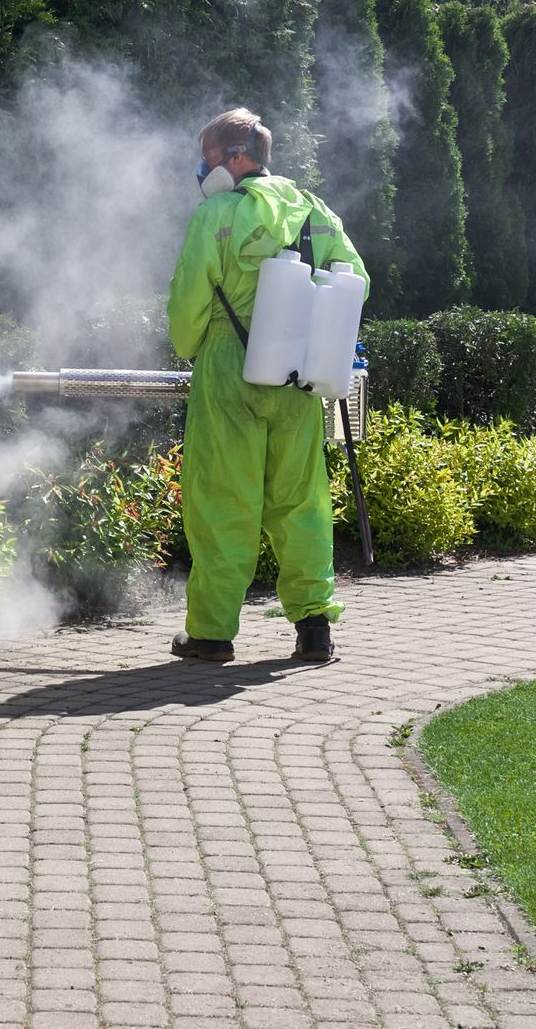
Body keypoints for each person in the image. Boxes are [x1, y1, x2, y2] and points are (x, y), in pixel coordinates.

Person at [165, 109, 369, 663]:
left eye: (208, 156)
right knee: (300, 502)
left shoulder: (218, 215)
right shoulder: (315, 211)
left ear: (235, 157)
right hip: (298, 374)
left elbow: (188, 304)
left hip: (231, 369)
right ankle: (313, 627)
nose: (203, 167)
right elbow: (357, 279)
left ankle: (210, 633)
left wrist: (190, 345)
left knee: (223, 500)